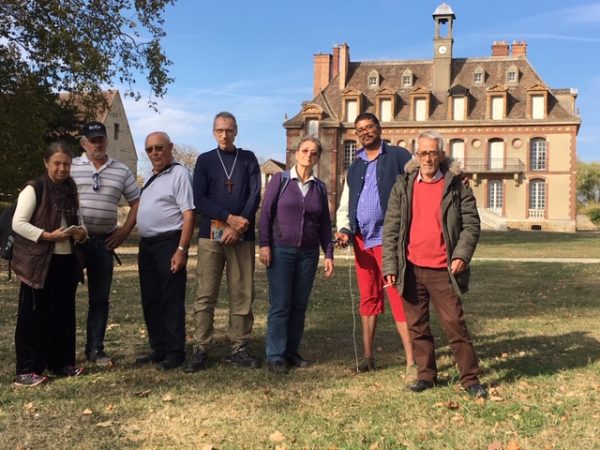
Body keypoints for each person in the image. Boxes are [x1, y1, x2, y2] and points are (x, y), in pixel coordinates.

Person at [382, 130, 487, 398]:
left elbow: (471, 225)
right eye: (423, 153)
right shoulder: (403, 185)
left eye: (433, 153)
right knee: (417, 326)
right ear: (417, 156)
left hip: (444, 270)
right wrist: (391, 266)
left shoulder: (456, 185)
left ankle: (470, 379)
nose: (428, 158)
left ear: (441, 155)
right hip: (411, 268)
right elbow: (392, 228)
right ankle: (426, 375)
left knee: (455, 325)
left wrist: (461, 255)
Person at [334, 113, 415, 377]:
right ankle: (368, 357)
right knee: (368, 297)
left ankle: (412, 362)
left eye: (370, 127)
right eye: (360, 129)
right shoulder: (355, 166)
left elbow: (421, 176)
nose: (365, 132)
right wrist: (345, 229)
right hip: (361, 240)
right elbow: (346, 203)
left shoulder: (398, 156)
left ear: (379, 129)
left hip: (389, 239)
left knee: (398, 296)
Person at [186, 111, 261, 372]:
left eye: (229, 130)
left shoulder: (248, 159)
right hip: (211, 236)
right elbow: (200, 198)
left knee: (242, 293)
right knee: (205, 294)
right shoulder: (205, 161)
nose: (224, 134)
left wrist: (240, 226)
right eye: (219, 130)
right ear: (213, 132)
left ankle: (239, 347)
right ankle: (201, 347)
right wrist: (229, 218)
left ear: (236, 131)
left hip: (242, 236)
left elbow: (254, 194)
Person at [12, 142, 88, 386]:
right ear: (46, 163)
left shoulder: (71, 189)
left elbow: (80, 222)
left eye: (66, 163)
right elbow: (19, 223)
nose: (62, 168)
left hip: (66, 260)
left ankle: (61, 362)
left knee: (63, 313)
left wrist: (81, 233)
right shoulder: (35, 188)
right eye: (57, 163)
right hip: (38, 261)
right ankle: (27, 370)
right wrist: (48, 236)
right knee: (33, 316)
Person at [259, 137, 334, 374]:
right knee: (280, 304)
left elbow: (324, 224)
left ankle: (291, 351)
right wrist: (265, 245)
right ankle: (275, 354)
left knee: (299, 305)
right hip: (281, 251)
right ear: (296, 153)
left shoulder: (319, 187)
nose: (308, 155)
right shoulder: (280, 181)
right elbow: (266, 216)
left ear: (317, 157)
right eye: (305, 150)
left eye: (314, 152)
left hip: (308, 254)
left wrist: (328, 253)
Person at [71, 121, 140, 366]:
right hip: (74, 242)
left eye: (101, 139)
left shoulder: (121, 170)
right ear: (83, 143)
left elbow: (136, 202)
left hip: (104, 242)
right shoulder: (71, 166)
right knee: (65, 296)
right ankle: (64, 351)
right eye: (92, 140)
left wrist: (125, 230)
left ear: (106, 141)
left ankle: (95, 349)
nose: (97, 143)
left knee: (99, 298)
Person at [135, 131, 194, 370]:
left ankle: (174, 352)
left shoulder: (179, 173)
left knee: (170, 299)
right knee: (150, 299)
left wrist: (181, 249)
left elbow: (188, 213)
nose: (154, 153)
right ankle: (158, 348)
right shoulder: (152, 178)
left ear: (171, 147)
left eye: (159, 148)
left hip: (169, 243)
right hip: (147, 246)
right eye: (149, 149)